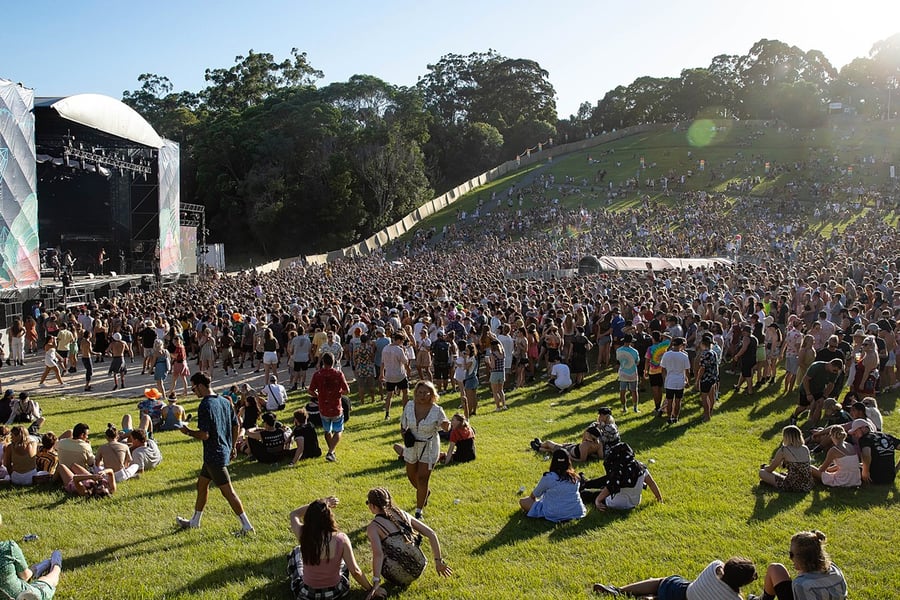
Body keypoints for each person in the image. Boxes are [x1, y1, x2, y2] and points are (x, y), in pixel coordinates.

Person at [176, 372, 254, 535]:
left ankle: (247, 526)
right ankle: (195, 521)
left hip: (214, 455)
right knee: (202, 485)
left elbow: (204, 434)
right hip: (222, 451)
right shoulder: (224, 401)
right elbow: (236, 426)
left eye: (194, 387)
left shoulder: (205, 405)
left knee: (228, 492)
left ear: (201, 386)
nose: (193, 391)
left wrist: (188, 431)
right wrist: (232, 447)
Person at [288, 496, 383, 600]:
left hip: (307, 594)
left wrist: (316, 506)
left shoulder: (303, 534)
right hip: (336, 592)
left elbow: (294, 514)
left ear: (308, 516)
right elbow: (355, 571)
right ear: (329, 517)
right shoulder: (341, 539)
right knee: (343, 561)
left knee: (297, 551)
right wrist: (371, 589)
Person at [365, 487, 452, 592]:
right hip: (419, 566)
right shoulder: (402, 514)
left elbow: (378, 555)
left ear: (373, 506)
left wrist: (375, 583)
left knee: (381, 549)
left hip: (398, 577)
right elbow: (431, 533)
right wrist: (438, 562)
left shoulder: (373, 527)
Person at [396, 381, 449, 519]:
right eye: (419, 392)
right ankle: (425, 492)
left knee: (422, 478)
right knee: (411, 475)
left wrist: (446, 424)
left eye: (426, 393)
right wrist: (405, 436)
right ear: (415, 393)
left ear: (432, 394)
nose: (422, 395)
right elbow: (403, 424)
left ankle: (419, 511)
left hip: (429, 445)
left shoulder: (437, 410)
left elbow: (446, 427)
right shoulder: (409, 406)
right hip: (412, 444)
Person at [593, 557, 758, 599]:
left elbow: (721, 566)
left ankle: (619, 591)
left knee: (662, 581)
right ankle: (653, 599)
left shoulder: (714, 567)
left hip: (679, 593)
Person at [756, 530, 847, 600]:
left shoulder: (801, 584)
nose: (790, 558)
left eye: (791, 554)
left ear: (802, 560)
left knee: (775, 569)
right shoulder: (834, 569)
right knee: (775, 569)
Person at [581, 441, 663, 511]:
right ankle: (587, 483)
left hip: (616, 504)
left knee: (589, 495)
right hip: (634, 502)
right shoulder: (640, 467)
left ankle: (583, 488)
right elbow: (651, 483)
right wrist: (659, 498)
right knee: (605, 482)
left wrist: (598, 500)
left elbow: (610, 488)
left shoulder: (618, 471)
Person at [519, 448, 586, 522]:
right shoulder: (575, 477)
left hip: (554, 513)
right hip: (577, 512)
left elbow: (534, 495)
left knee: (523, 501)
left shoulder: (549, 477)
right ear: (568, 461)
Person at [532, 406, 619, 462]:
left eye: (601, 416)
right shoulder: (599, 444)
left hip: (574, 451)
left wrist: (570, 457)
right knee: (554, 449)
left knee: (551, 445)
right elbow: (600, 457)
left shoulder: (609, 428)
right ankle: (539, 447)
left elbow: (582, 459)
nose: (599, 418)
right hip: (579, 448)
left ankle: (540, 446)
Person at [307, 352, 350, 462]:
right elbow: (347, 391)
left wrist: (317, 395)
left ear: (323, 362)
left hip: (323, 406)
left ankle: (331, 451)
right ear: (334, 362)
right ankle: (331, 451)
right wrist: (338, 393)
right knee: (338, 430)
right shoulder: (338, 374)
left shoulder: (317, 375)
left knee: (327, 430)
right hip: (336, 406)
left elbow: (310, 390)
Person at [759, 425, 814, 493]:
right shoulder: (805, 448)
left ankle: (770, 482)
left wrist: (765, 468)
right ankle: (770, 482)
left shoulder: (784, 450)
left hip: (792, 485)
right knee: (783, 474)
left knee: (762, 472)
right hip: (807, 484)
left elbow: (770, 469)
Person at [789, 359, 843, 427]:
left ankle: (814, 425)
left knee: (819, 405)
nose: (835, 372)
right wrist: (808, 394)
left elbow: (831, 384)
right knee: (803, 407)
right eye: (834, 370)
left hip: (819, 390)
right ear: (830, 364)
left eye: (837, 371)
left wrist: (824, 396)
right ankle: (794, 416)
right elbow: (806, 380)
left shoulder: (834, 373)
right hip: (807, 388)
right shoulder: (816, 367)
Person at [848, 418, 899, 485]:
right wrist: (896, 469)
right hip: (890, 477)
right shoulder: (886, 436)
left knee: (848, 469)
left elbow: (866, 454)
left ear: (863, 428)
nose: (855, 435)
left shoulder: (865, 439)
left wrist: (865, 472)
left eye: (855, 432)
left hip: (876, 477)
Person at [660, 337, 690, 423]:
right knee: (678, 401)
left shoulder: (666, 354)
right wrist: (687, 381)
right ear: (680, 345)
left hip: (670, 380)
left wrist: (664, 378)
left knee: (669, 401)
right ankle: (676, 417)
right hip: (680, 380)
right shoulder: (684, 356)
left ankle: (669, 417)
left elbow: (663, 369)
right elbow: (687, 370)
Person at [381, 333, 410, 420]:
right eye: (402, 341)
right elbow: (405, 361)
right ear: (399, 340)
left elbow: (382, 362)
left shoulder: (385, 348)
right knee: (405, 392)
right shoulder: (399, 350)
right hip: (399, 374)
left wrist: (381, 373)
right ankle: (404, 411)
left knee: (389, 395)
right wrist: (405, 352)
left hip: (389, 375)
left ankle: (387, 413)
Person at [616, 333, 640, 412]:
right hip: (632, 373)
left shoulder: (618, 350)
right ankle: (635, 408)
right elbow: (637, 362)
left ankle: (623, 408)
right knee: (634, 391)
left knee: (622, 391)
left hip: (623, 372)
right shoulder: (635, 351)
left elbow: (618, 361)